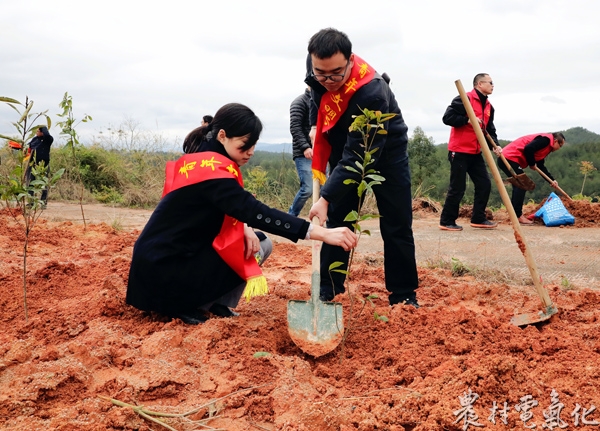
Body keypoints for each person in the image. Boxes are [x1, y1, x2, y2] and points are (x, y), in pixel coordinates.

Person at [126, 103, 357, 325]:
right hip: (165, 270)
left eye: (253, 145)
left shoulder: (202, 161)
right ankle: (182, 304)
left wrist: (244, 227)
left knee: (259, 243)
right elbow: (253, 210)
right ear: (222, 135)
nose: (250, 153)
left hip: (164, 258)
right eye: (244, 146)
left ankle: (215, 302)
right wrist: (320, 233)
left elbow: (230, 207)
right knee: (249, 247)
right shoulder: (213, 173)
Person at [304, 28, 419, 308]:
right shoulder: (319, 68)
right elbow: (315, 94)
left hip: (385, 150)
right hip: (342, 144)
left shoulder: (372, 92)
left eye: (335, 74)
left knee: (396, 221)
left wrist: (325, 198)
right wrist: (315, 125)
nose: (328, 80)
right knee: (339, 220)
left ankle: (403, 294)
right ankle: (328, 290)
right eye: (321, 73)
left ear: (350, 60)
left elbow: (358, 157)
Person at [439, 73, 500, 231]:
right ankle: (447, 221)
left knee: (484, 184)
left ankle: (478, 218)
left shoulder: (488, 107)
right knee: (458, 187)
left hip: (475, 151)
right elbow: (447, 118)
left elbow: (489, 130)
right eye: (490, 82)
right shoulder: (464, 99)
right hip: (459, 151)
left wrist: (496, 146)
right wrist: (467, 120)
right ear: (480, 84)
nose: (493, 85)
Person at [499, 132, 566, 224]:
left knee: (518, 186)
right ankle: (518, 216)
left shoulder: (546, 148)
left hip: (508, 159)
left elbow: (540, 166)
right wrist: (531, 163)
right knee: (523, 184)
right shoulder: (545, 140)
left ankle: (514, 215)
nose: (559, 148)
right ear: (555, 141)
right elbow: (529, 148)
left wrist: (551, 180)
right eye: (560, 145)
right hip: (509, 158)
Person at [288, 87, 313, 216]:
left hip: (320, 152)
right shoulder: (299, 102)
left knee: (325, 189)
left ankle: (325, 221)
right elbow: (295, 127)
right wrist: (305, 147)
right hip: (304, 153)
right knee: (307, 189)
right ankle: (291, 217)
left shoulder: (321, 101)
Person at [25, 126, 54, 206]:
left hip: (43, 164)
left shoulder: (48, 139)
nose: (36, 133)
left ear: (42, 132)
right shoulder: (34, 139)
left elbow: (47, 135)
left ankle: (43, 202)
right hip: (32, 163)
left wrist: (43, 127)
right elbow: (28, 147)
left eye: (38, 131)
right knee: (30, 182)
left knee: (44, 183)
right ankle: (31, 202)